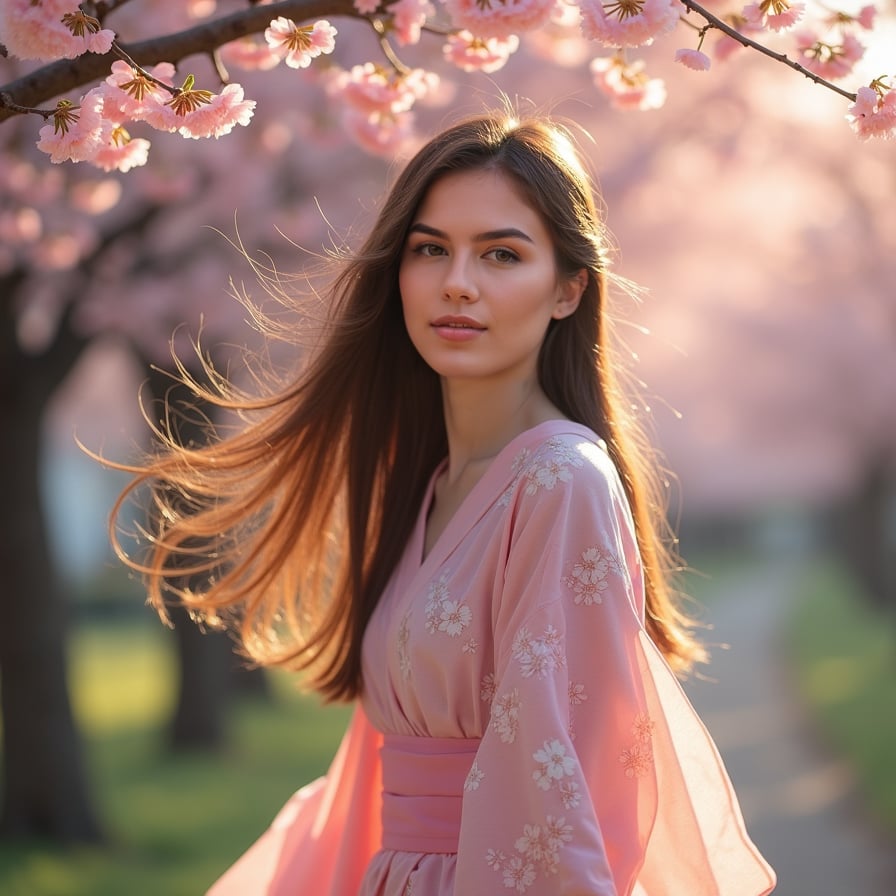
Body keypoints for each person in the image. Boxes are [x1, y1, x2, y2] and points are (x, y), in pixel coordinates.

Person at [109, 109, 776, 895]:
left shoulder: (560, 481)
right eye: (431, 250)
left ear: (568, 290)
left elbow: (553, 780)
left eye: (501, 253)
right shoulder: (428, 484)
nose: (457, 281)